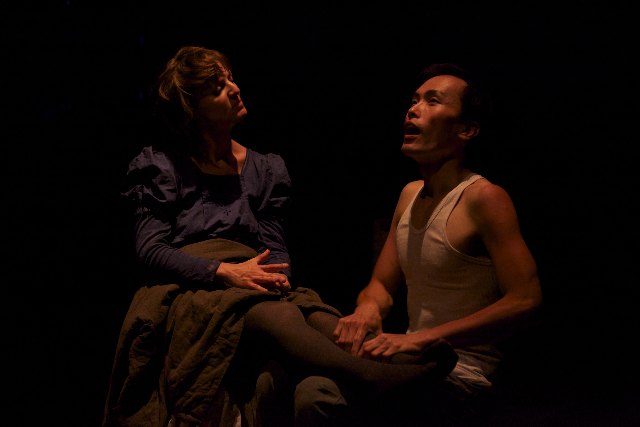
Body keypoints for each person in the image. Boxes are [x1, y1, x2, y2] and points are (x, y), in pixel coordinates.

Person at [102, 47, 458, 427]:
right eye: (217, 88)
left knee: (318, 318)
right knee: (280, 313)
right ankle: (371, 379)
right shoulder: (161, 165)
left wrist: (277, 274)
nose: (234, 89)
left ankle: (411, 362)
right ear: (192, 110)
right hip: (191, 287)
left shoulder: (264, 167)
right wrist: (224, 272)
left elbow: (272, 241)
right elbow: (151, 250)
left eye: (230, 78)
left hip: (251, 278)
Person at [295, 64, 543, 426]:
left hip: (462, 378)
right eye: (413, 101)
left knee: (320, 395)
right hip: (411, 362)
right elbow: (381, 286)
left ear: (467, 130)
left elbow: (526, 300)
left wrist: (423, 339)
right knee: (298, 381)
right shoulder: (409, 194)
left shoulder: (485, 198)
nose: (413, 110)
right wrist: (368, 309)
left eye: (432, 101)